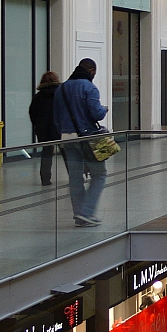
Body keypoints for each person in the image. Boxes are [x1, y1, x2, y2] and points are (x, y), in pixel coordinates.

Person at [53, 58, 109, 227]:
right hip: (87, 137)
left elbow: (56, 117)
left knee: (75, 177)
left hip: (66, 137)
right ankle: (86, 212)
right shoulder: (89, 87)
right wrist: (104, 109)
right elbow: (96, 114)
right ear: (91, 71)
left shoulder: (61, 88)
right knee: (99, 174)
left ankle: (79, 215)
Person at [29, 71, 61, 186]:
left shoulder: (38, 97)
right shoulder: (61, 94)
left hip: (43, 130)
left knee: (46, 153)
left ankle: (45, 179)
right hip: (59, 128)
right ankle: (73, 176)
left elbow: (32, 113)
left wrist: (38, 125)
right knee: (67, 152)